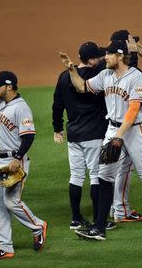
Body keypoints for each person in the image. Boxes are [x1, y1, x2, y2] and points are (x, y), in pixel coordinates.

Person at [59, 40, 142, 241]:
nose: (105, 57)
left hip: (134, 131)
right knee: (104, 177)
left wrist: (119, 135)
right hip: (113, 129)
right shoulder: (105, 75)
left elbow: (134, 108)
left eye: (109, 54)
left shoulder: (135, 77)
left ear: (120, 56)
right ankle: (99, 227)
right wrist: (71, 69)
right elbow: (82, 87)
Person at [0, 60, 47, 259]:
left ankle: (38, 226)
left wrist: (18, 158)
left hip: (13, 160)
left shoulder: (21, 108)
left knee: (11, 202)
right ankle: (5, 247)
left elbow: (28, 136)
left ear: (9, 86)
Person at [53, 41, 107, 230]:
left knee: (75, 176)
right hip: (94, 133)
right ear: (92, 60)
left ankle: (76, 218)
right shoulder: (98, 75)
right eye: (98, 57)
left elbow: (57, 104)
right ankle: (99, 219)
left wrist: (57, 128)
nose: (101, 59)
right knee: (95, 175)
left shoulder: (63, 76)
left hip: (74, 134)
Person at [109, 30, 142, 223]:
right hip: (124, 128)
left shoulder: (112, 65)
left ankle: (119, 210)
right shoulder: (126, 71)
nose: (135, 45)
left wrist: (139, 55)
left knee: (120, 169)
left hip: (111, 124)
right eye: (132, 42)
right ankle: (118, 210)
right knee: (124, 171)